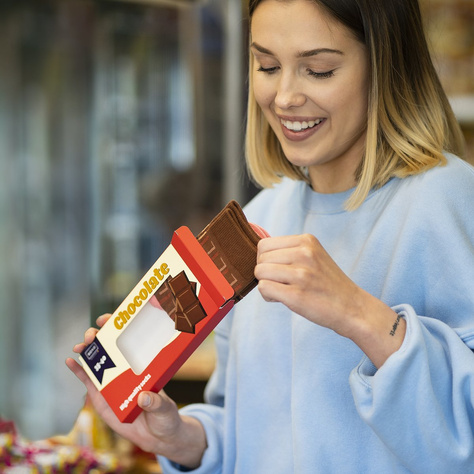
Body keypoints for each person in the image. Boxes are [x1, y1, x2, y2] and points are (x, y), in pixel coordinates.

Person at [67, 0, 474, 472]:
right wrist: (184, 441)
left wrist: (356, 312)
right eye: (266, 65)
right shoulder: (261, 216)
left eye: (318, 70)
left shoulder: (445, 199)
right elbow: (250, 427)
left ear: (386, 67)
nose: (283, 97)